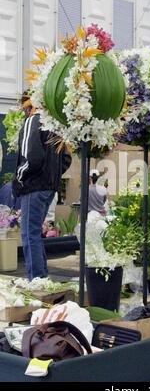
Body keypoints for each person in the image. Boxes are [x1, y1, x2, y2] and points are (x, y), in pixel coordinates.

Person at [12, 98, 72, 280]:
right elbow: (66, 159)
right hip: (49, 187)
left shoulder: (32, 121)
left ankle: (36, 280)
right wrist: (52, 176)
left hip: (33, 185)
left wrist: (19, 178)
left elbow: (31, 157)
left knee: (30, 234)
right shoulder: (55, 124)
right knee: (35, 233)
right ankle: (41, 277)